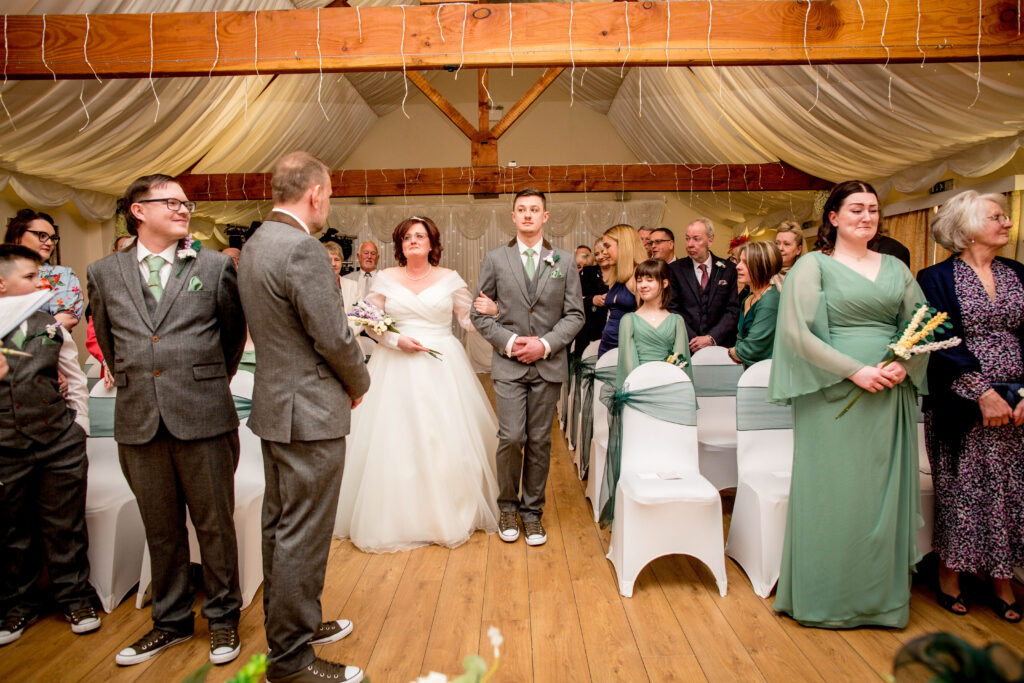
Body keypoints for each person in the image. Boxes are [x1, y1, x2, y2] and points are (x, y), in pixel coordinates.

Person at [87, 174, 247, 665]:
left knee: (215, 523)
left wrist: (198, 380)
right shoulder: (103, 271)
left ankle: (222, 620)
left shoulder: (216, 266)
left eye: (185, 202)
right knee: (161, 527)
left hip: (202, 413)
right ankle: (171, 621)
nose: (183, 209)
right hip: (138, 419)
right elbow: (111, 344)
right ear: (138, 210)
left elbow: (232, 338)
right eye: (171, 202)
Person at [767, 180, 928, 629]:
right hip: (830, 395)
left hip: (887, 395)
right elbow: (798, 334)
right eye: (856, 209)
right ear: (833, 218)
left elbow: (922, 325)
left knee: (880, 497)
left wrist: (901, 360)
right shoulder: (813, 266)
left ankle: (881, 602)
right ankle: (825, 599)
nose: (866, 217)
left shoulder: (897, 269)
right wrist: (855, 370)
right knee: (831, 496)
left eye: (873, 210)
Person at [237, 152, 370, 683]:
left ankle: (296, 624)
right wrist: (360, 383)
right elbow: (333, 335)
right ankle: (290, 661)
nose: (328, 203)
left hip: (276, 406)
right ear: (315, 193)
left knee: (280, 527)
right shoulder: (302, 250)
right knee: (303, 533)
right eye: (330, 194)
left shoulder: (254, 245)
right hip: (310, 411)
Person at [336, 216, 499, 551]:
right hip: (396, 364)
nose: (413, 241)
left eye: (420, 236)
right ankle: (397, 516)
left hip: (442, 364)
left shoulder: (449, 278)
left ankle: (447, 513)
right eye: (407, 237)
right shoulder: (385, 278)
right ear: (400, 245)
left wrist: (492, 312)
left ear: (431, 243)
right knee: (396, 440)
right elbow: (365, 319)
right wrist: (397, 341)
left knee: (444, 438)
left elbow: (468, 321)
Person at [916, 190, 1024, 622]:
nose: (1008, 223)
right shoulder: (935, 278)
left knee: (1009, 492)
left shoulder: (1018, 272)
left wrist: (1022, 394)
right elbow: (938, 342)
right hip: (961, 403)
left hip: (1017, 402)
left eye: (1005, 217)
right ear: (965, 227)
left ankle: (1001, 578)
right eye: (997, 216)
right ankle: (950, 573)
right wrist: (983, 392)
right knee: (962, 491)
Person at [471, 188, 584, 547]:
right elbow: (478, 312)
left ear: (545, 216)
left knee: (538, 441)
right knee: (511, 437)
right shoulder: (495, 258)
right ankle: (507, 505)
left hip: (548, 366)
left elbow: (575, 315)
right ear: (513, 216)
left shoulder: (563, 262)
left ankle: (532, 512)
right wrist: (510, 342)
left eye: (535, 209)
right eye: (521, 209)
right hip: (508, 365)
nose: (528, 215)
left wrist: (545, 344)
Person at [0, 244, 97, 646]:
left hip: (58, 440)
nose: (41, 284)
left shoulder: (50, 324)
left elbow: (73, 377)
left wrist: (79, 429)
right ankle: (17, 605)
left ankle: (75, 597)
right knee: (11, 530)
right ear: (1, 284)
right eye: (30, 277)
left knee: (65, 525)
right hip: (5, 447)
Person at [667, 218, 740, 352]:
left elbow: (732, 310)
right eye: (687, 239)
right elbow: (672, 309)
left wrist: (711, 338)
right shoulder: (674, 270)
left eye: (696, 239)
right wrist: (693, 340)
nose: (690, 244)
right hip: (687, 346)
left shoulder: (729, 270)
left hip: (721, 346)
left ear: (710, 241)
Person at [614, 258, 690, 387]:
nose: (643, 285)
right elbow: (627, 363)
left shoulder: (676, 321)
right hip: (638, 387)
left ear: (665, 283)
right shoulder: (629, 320)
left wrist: (663, 384)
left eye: (649, 280)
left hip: (669, 386)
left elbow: (680, 361)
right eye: (639, 281)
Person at [5, 209, 83, 330]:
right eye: (42, 236)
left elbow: (65, 319)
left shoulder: (61, 274)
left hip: (44, 343)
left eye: (52, 238)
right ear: (17, 236)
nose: (49, 243)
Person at [728, 241, 782, 367]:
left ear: (761, 266)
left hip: (767, 373)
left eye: (745, 263)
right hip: (751, 370)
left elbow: (752, 348)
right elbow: (741, 339)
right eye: (739, 261)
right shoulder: (749, 298)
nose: (738, 266)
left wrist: (732, 352)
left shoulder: (770, 300)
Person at [597, 224, 645, 357]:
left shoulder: (639, 274)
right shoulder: (618, 275)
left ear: (623, 245)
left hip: (627, 349)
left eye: (607, 246)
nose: (604, 252)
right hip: (608, 346)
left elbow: (645, 320)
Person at [573, 244, 609, 357]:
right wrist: (591, 300)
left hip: (602, 326)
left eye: (587, 266)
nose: (583, 270)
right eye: (579, 266)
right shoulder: (573, 279)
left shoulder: (601, 276)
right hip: (582, 327)